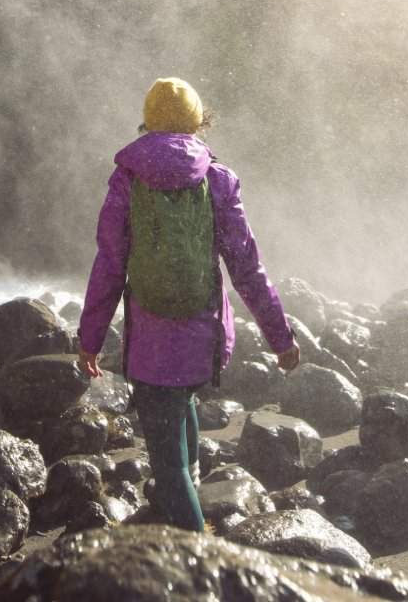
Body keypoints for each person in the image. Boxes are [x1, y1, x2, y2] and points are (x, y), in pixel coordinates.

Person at [76, 77, 301, 532]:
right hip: (204, 340)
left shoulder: (126, 180)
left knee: (167, 461)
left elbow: (109, 266)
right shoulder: (218, 180)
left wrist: (90, 339)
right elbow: (246, 268)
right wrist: (281, 338)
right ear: (198, 122)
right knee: (183, 399)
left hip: (151, 346)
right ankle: (188, 498)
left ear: (148, 122)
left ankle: (200, 558)